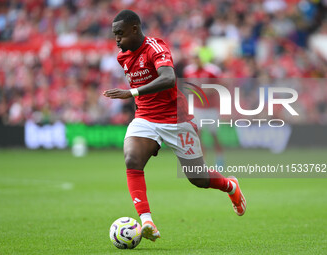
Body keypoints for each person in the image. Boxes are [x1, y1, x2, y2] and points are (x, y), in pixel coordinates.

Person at [103, 10, 246, 242]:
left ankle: (230, 186)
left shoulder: (155, 47)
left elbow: (169, 78)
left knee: (197, 178)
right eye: (114, 35)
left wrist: (131, 92)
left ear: (135, 29)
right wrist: (136, 97)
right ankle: (147, 221)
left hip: (176, 120)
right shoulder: (123, 56)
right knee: (132, 159)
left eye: (120, 34)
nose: (116, 39)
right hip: (145, 119)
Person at [183, 53, 225, 167]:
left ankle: (219, 158)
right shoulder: (189, 71)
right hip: (198, 108)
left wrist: (207, 91)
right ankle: (203, 161)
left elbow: (220, 86)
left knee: (214, 135)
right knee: (198, 135)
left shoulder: (212, 70)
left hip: (211, 108)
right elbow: (187, 87)